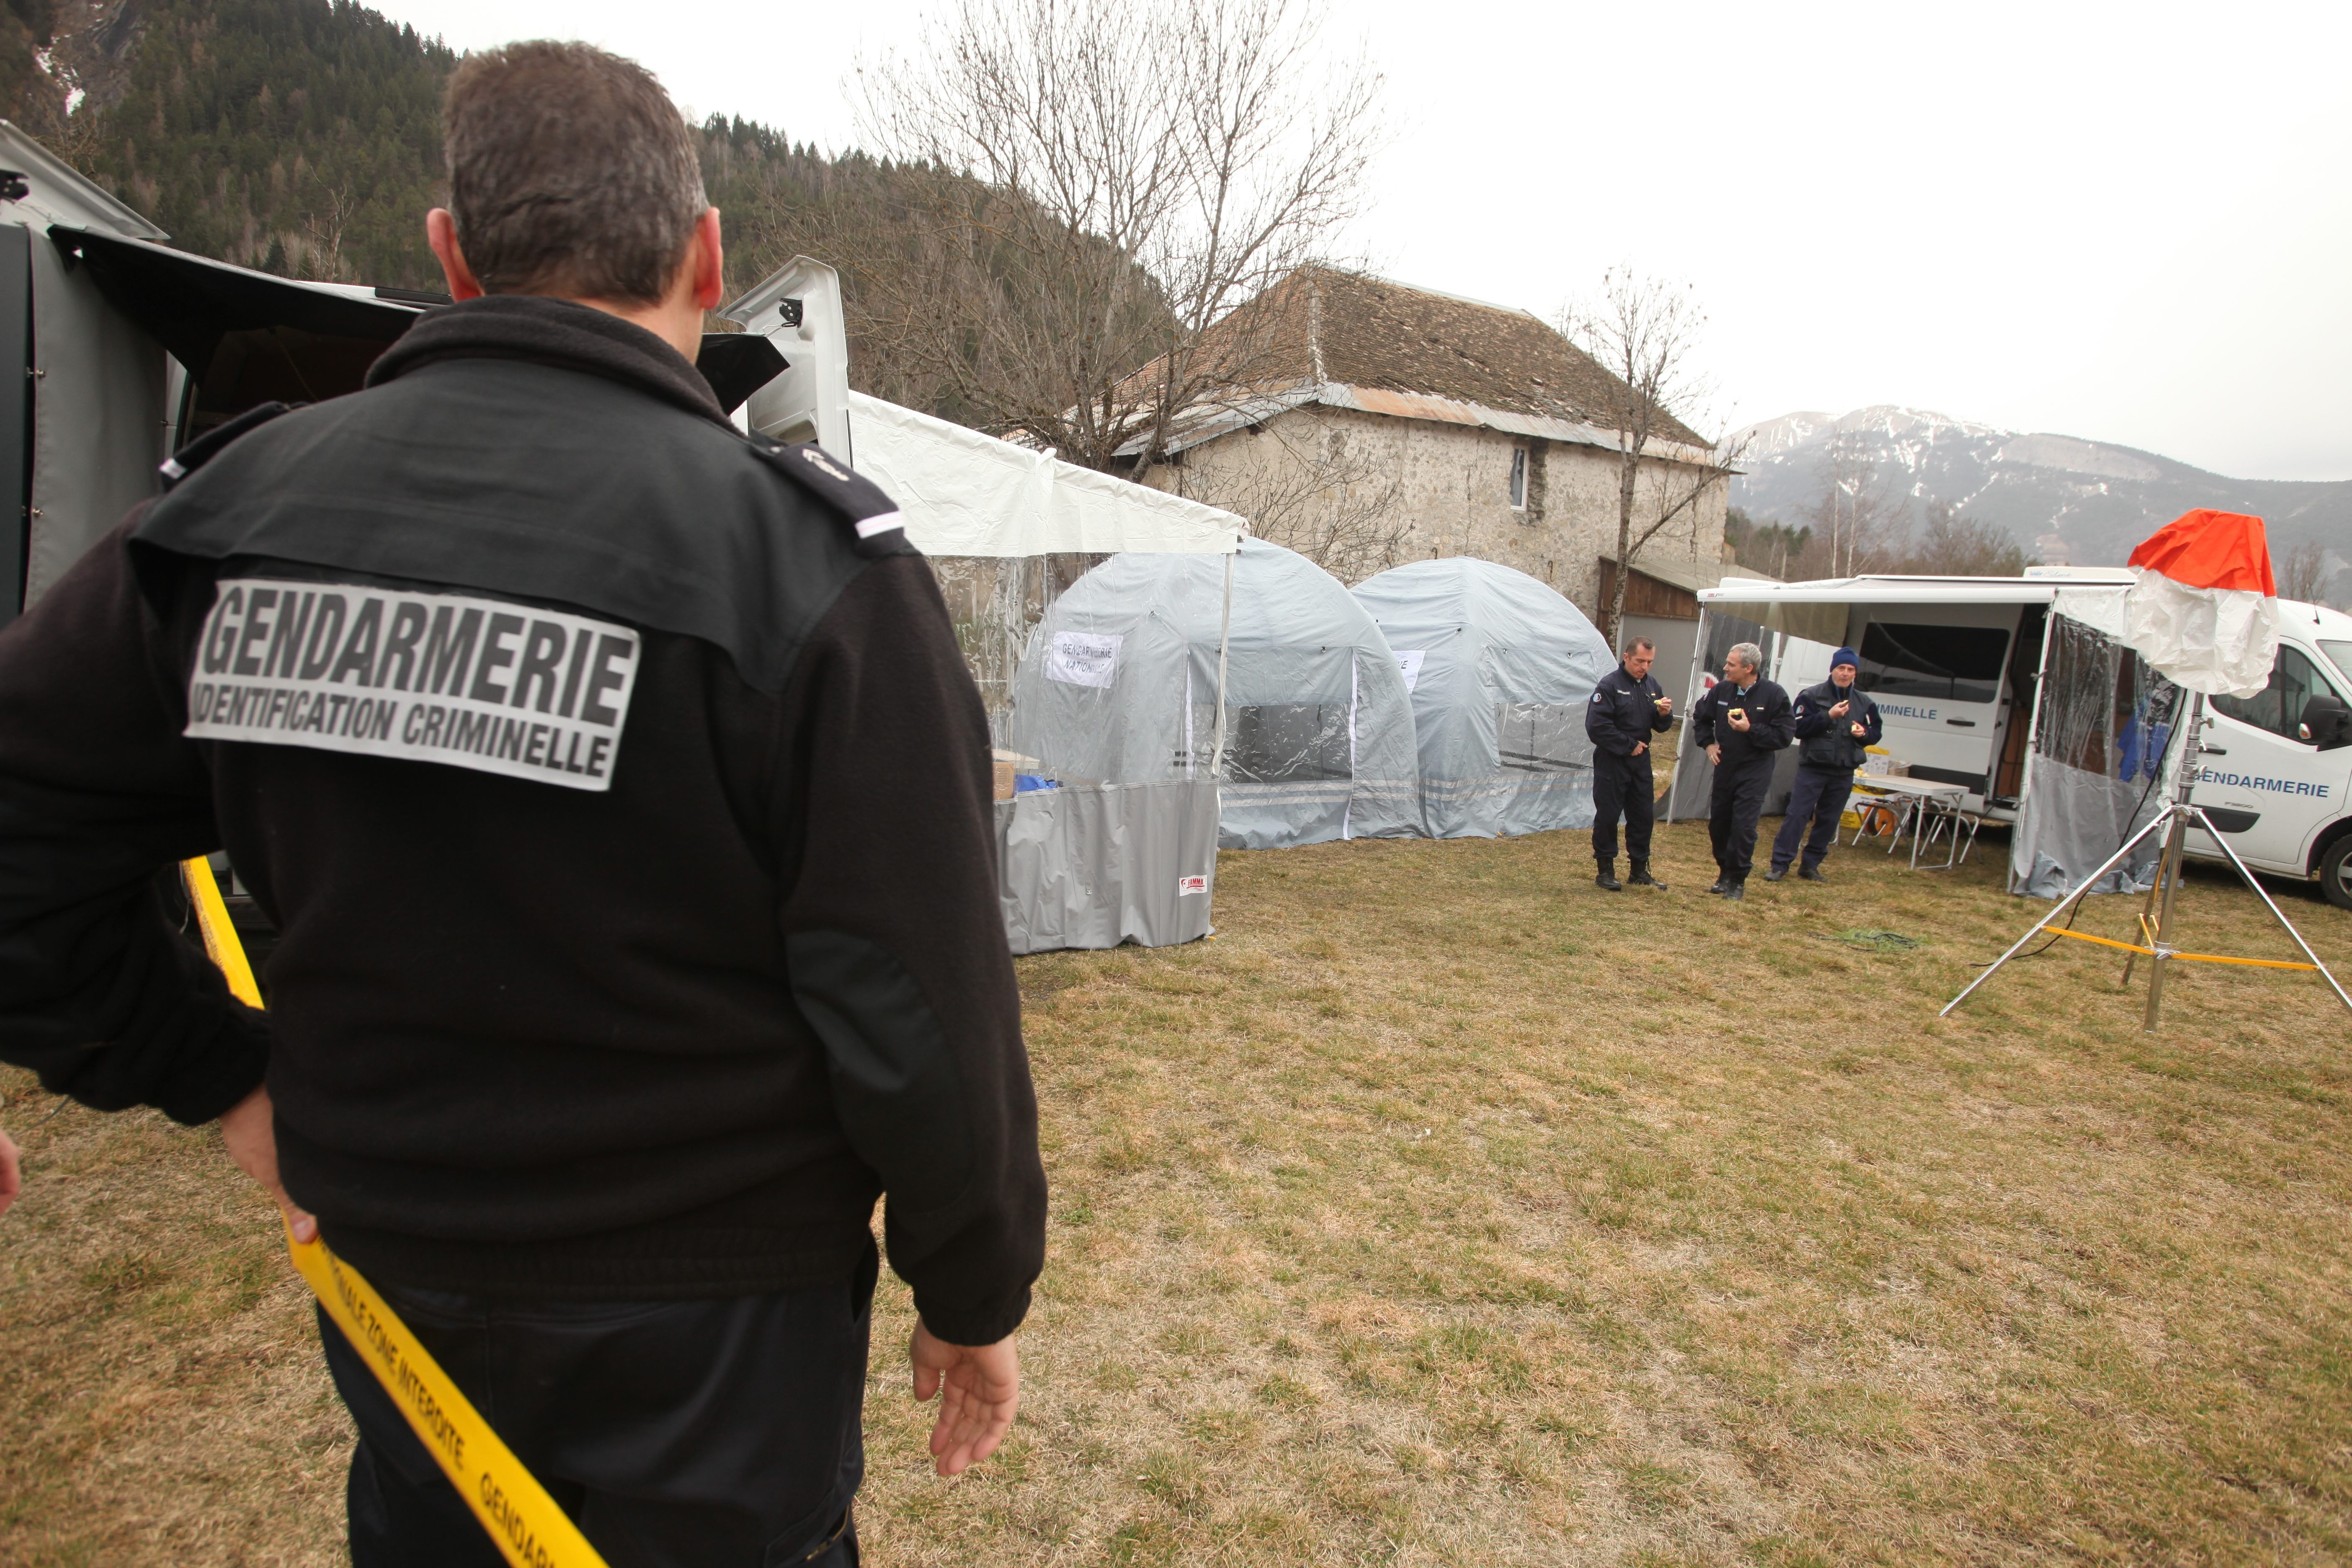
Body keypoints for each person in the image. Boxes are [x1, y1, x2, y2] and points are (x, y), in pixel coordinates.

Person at [0, 41, 1045, 1567]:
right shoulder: (807, 573)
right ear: (706, 256)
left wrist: (219, 1077)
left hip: (402, 1289)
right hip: (719, 1347)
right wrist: (971, 1292)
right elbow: (920, 1006)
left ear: (450, 259)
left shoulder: (226, 528)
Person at [1766, 647, 1882, 883]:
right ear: (1833, 670)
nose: (1845, 674)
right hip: (1813, 768)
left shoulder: (1865, 702)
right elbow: (1797, 728)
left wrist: (1864, 734)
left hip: (1844, 771)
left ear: (1855, 674)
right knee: (1797, 816)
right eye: (1841, 668)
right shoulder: (1811, 696)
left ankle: (1811, 866)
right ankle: (1780, 865)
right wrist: (1828, 716)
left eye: (1850, 670)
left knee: (1829, 820)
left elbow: (1876, 732)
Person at [1690, 642, 1793, 900]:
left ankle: (1737, 880)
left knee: (1744, 826)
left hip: (1755, 769)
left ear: (1749, 668)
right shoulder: (1722, 690)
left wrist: (1751, 730)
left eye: (1731, 665)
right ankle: (1724, 871)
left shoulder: (1774, 695)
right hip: (1726, 766)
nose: (1725, 668)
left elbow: (1784, 736)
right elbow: (1700, 717)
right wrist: (1709, 743)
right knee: (1720, 824)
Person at [1583, 636, 1674, 892]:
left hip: (1641, 761)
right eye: (1640, 661)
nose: (1644, 667)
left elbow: (1660, 725)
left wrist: (1663, 715)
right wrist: (1627, 744)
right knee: (1609, 815)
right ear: (1626, 657)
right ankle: (1605, 870)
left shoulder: (1651, 686)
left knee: (1643, 815)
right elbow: (1597, 727)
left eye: (1649, 662)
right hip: (1613, 759)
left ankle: (1639, 869)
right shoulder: (1610, 685)